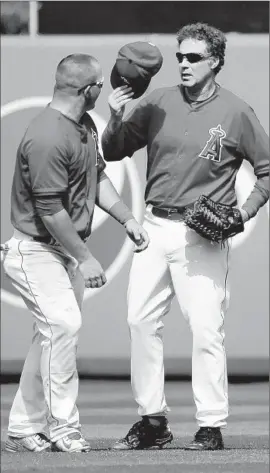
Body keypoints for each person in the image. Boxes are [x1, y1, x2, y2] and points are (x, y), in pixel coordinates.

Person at [101, 23, 269, 451]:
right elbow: (114, 150)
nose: (183, 63)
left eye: (193, 57)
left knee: (206, 330)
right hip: (155, 228)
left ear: (215, 61)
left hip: (201, 236)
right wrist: (117, 117)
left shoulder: (236, 111)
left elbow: (266, 170)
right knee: (140, 322)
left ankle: (210, 425)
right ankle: (152, 420)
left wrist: (244, 212)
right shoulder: (157, 101)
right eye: (180, 56)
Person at [2, 53, 149, 453]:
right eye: (100, 83)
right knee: (63, 327)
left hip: (58, 254)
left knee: (51, 338)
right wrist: (86, 257)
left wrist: (126, 218)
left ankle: (21, 427)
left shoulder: (81, 124)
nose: (105, 88)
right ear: (87, 90)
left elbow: (98, 176)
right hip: (35, 251)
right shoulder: (48, 135)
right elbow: (50, 211)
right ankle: (64, 426)